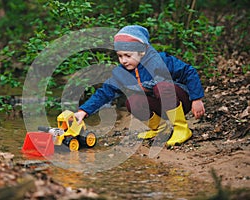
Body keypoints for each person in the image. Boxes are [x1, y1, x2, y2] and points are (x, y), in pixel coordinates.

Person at [74, 25, 205, 146]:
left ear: (142, 52)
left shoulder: (159, 61)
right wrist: (84, 111)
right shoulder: (123, 73)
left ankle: (181, 128)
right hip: (160, 106)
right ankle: (159, 128)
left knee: (161, 87)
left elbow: (189, 72)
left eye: (128, 55)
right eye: (120, 56)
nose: (123, 60)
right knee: (133, 101)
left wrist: (196, 99)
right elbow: (105, 92)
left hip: (180, 101)